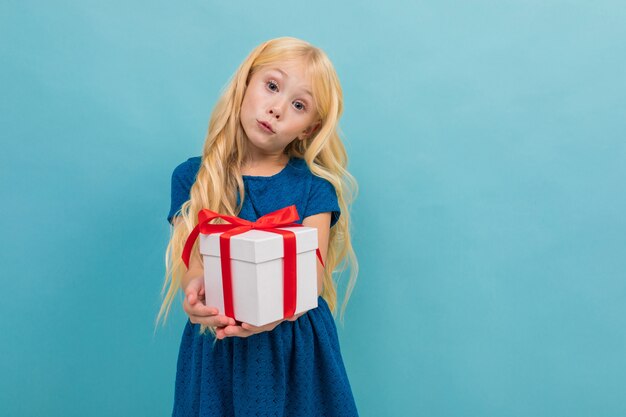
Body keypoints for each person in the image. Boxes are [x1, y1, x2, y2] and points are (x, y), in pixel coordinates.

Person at [157, 36, 359, 416]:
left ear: (308, 129)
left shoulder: (314, 189)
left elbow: (310, 280)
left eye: (298, 105)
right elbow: (194, 267)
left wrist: (269, 314)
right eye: (271, 86)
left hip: (295, 352)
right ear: (245, 83)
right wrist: (196, 295)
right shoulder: (192, 178)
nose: (277, 108)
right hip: (219, 350)